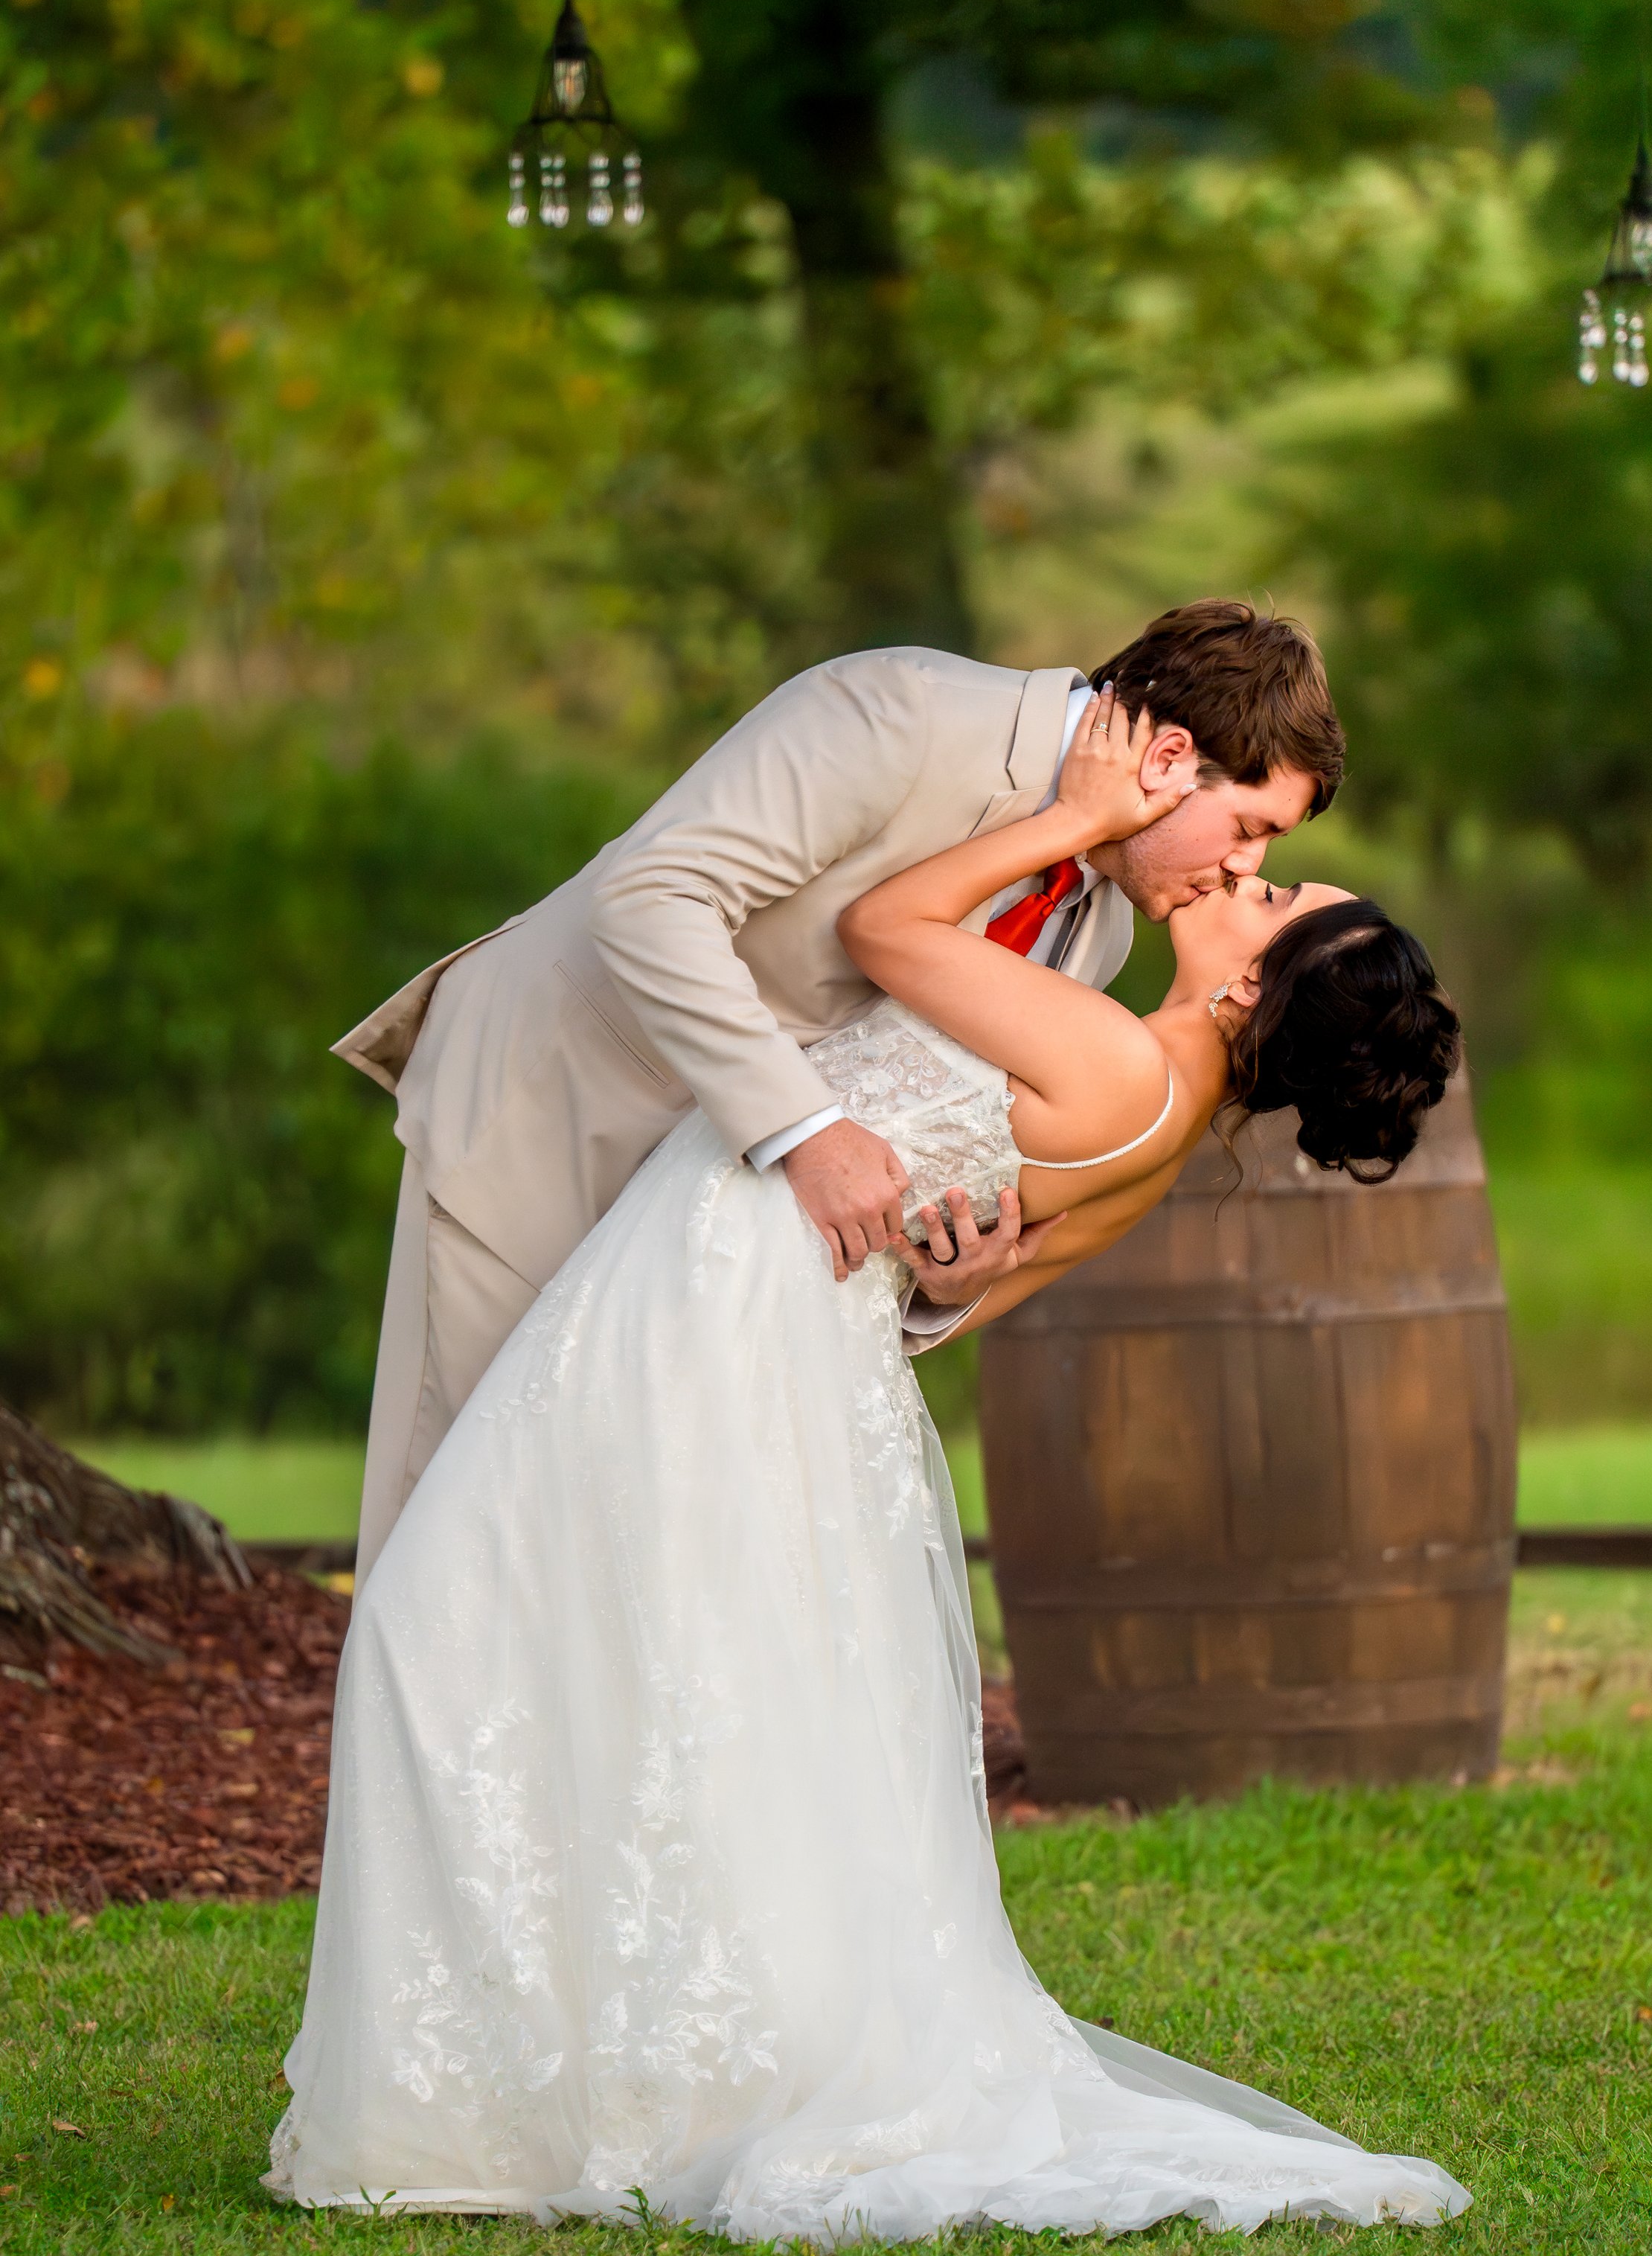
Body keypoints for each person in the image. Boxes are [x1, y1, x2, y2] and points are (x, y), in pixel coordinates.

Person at [269, 680, 1469, 2241]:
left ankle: (519, 2081)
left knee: (457, 1627)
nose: (1237, 877)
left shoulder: (1115, 1052)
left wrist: (1072, 821)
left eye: (1268, 891)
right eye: (1254, 847)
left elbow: (891, 934)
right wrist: (948, 1262)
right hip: (750, 1313)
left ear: (1253, 996)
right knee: (619, 1665)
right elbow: (965, 1289)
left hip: (713, 1305)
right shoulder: (1152, 1115)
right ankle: (577, 2066)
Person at [339, 599, 1348, 1587]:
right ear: (1170, 759)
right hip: (553, 1112)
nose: (1242, 868)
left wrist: (945, 1287)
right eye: (1250, 827)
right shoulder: (901, 712)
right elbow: (651, 895)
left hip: (702, 1244)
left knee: (602, 1582)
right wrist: (803, 1132)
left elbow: (925, 1134)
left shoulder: (1102, 935)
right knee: (453, 1551)